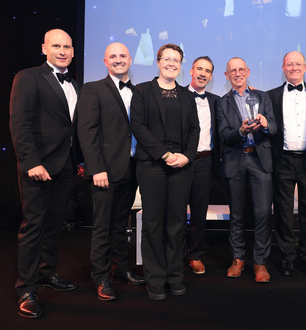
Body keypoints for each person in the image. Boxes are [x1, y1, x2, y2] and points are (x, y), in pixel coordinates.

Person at [9, 29, 80, 318]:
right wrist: (31, 162)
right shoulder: (27, 77)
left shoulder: (75, 84)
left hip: (65, 167)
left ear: (73, 52)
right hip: (38, 166)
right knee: (33, 227)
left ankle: (47, 272)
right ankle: (25, 288)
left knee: (54, 225)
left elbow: (72, 130)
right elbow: (20, 123)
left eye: (67, 46)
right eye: (56, 46)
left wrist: (79, 162)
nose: (62, 51)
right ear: (44, 48)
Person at [130, 43, 200, 300]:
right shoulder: (142, 91)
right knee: (152, 223)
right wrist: (164, 153)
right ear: (158, 62)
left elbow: (195, 130)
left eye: (176, 60)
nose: (171, 63)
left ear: (181, 65)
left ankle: (175, 276)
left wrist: (187, 156)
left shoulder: (187, 95)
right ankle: (155, 278)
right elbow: (138, 126)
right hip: (152, 165)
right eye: (167, 59)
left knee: (177, 224)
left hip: (181, 165)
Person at [77, 42, 146, 302]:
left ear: (131, 60)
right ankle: (101, 277)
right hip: (105, 170)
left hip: (132, 168)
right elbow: (87, 131)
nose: (118, 60)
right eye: (112, 56)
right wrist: (96, 168)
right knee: (103, 227)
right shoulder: (93, 89)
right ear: (105, 61)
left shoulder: (139, 91)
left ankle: (121, 270)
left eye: (122, 56)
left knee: (120, 224)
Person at [216, 57, 277, 283]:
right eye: (233, 71)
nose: (238, 73)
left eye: (241, 70)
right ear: (227, 75)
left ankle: (260, 263)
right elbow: (223, 134)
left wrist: (265, 124)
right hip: (235, 160)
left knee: (262, 213)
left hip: (260, 161)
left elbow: (274, 127)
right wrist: (241, 131)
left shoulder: (263, 96)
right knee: (237, 214)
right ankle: (238, 259)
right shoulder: (222, 103)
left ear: (248, 71)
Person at [267, 51, 306, 277]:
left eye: (298, 64)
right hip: (282, 160)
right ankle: (287, 257)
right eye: (289, 64)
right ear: (283, 68)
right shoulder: (272, 95)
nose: (293, 67)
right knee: (282, 212)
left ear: (305, 66)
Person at [185, 56, 221, 275]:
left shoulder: (217, 101)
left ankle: (195, 255)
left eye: (207, 70)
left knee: (199, 211)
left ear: (211, 75)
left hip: (205, 161)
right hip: (180, 161)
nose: (203, 73)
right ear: (191, 70)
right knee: (175, 211)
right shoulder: (177, 95)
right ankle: (174, 254)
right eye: (199, 68)